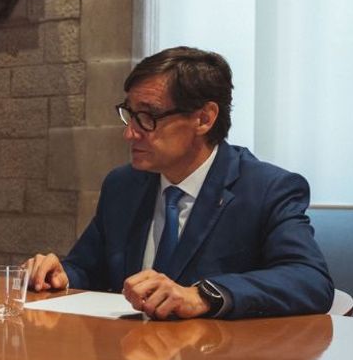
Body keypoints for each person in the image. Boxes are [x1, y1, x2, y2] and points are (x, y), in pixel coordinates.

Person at [25, 46, 333, 320]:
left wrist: (203, 296)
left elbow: (310, 279)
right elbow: (88, 267)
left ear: (204, 119)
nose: (130, 133)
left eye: (148, 117)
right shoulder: (123, 185)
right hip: (130, 354)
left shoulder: (266, 189)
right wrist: (61, 275)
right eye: (130, 115)